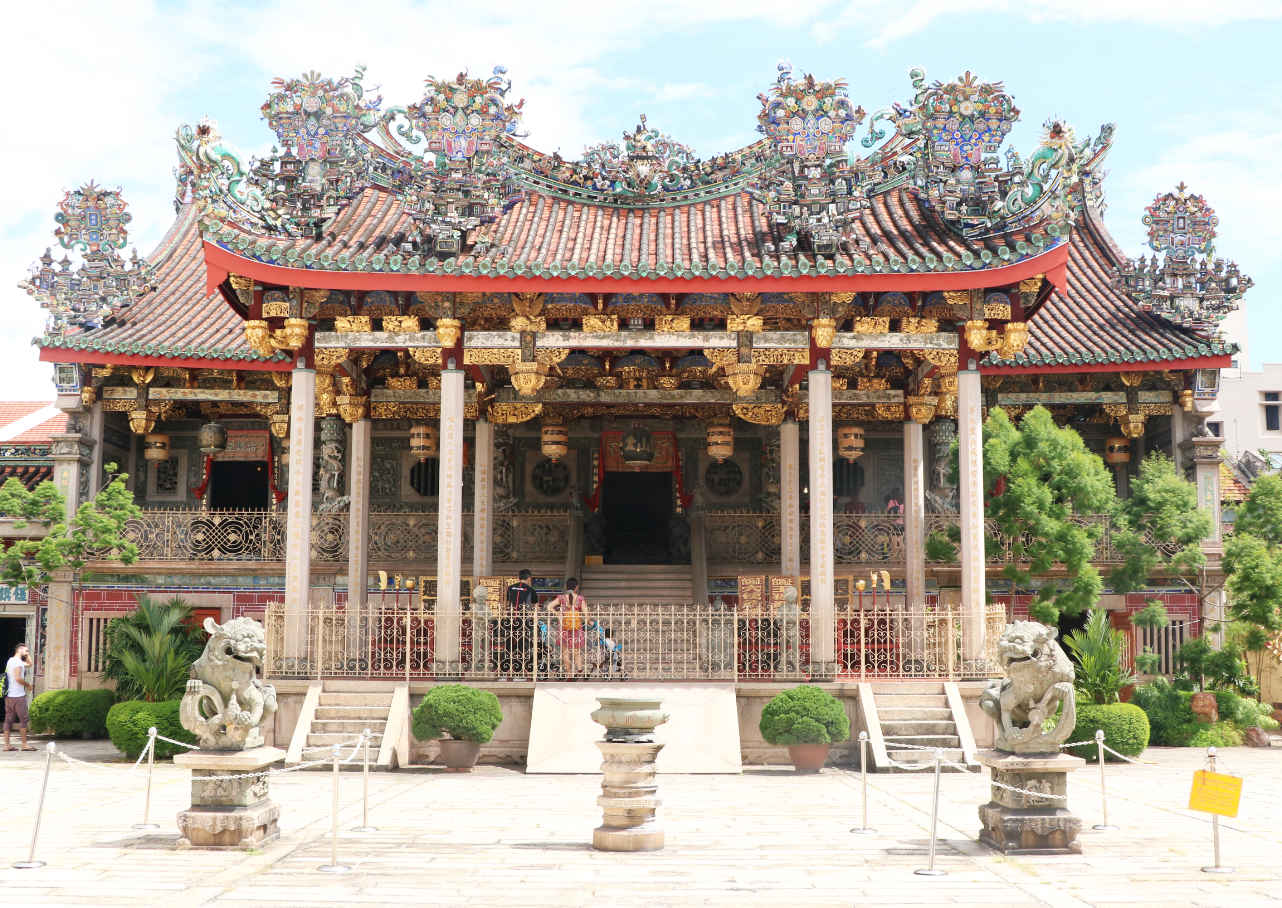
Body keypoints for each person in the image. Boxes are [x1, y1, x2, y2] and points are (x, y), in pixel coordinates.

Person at [552, 578, 589, 680]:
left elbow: (549, 606)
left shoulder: (561, 598)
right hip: (576, 627)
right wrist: (589, 621)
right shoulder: (580, 598)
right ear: (576, 587)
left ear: (566, 587)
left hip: (564, 627)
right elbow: (586, 614)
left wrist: (557, 613)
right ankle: (580, 669)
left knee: (565, 652)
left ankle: (569, 675)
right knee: (577, 651)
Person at [504, 570, 537, 680]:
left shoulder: (510, 588)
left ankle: (510, 672)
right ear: (529, 578)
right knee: (525, 646)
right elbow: (534, 608)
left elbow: (507, 604)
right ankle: (527, 672)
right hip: (524, 621)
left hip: (511, 620)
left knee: (509, 645)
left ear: (519, 577)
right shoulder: (531, 590)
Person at [4, 643, 35, 752]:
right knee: (24, 720)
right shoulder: (17, 662)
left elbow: (30, 664)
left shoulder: (10, 661)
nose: (27, 652)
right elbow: (17, 678)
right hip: (18, 696)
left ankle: (7, 745)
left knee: (8, 721)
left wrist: (27, 655)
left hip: (8, 696)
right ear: (19, 650)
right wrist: (28, 685)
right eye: (26, 650)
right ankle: (24, 744)